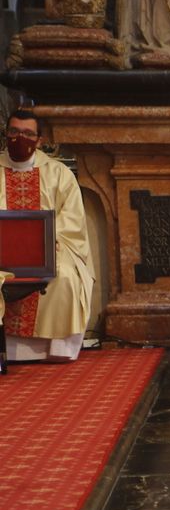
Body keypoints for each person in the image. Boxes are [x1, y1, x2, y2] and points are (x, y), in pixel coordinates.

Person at [1, 109, 94, 363]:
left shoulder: (58, 173)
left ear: (40, 140)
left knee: (63, 275)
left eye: (28, 134)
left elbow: (72, 219)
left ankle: (54, 350)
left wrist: (43, 241)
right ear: (6, 134)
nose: (20, 138)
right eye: (15, 132)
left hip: (48, 247)